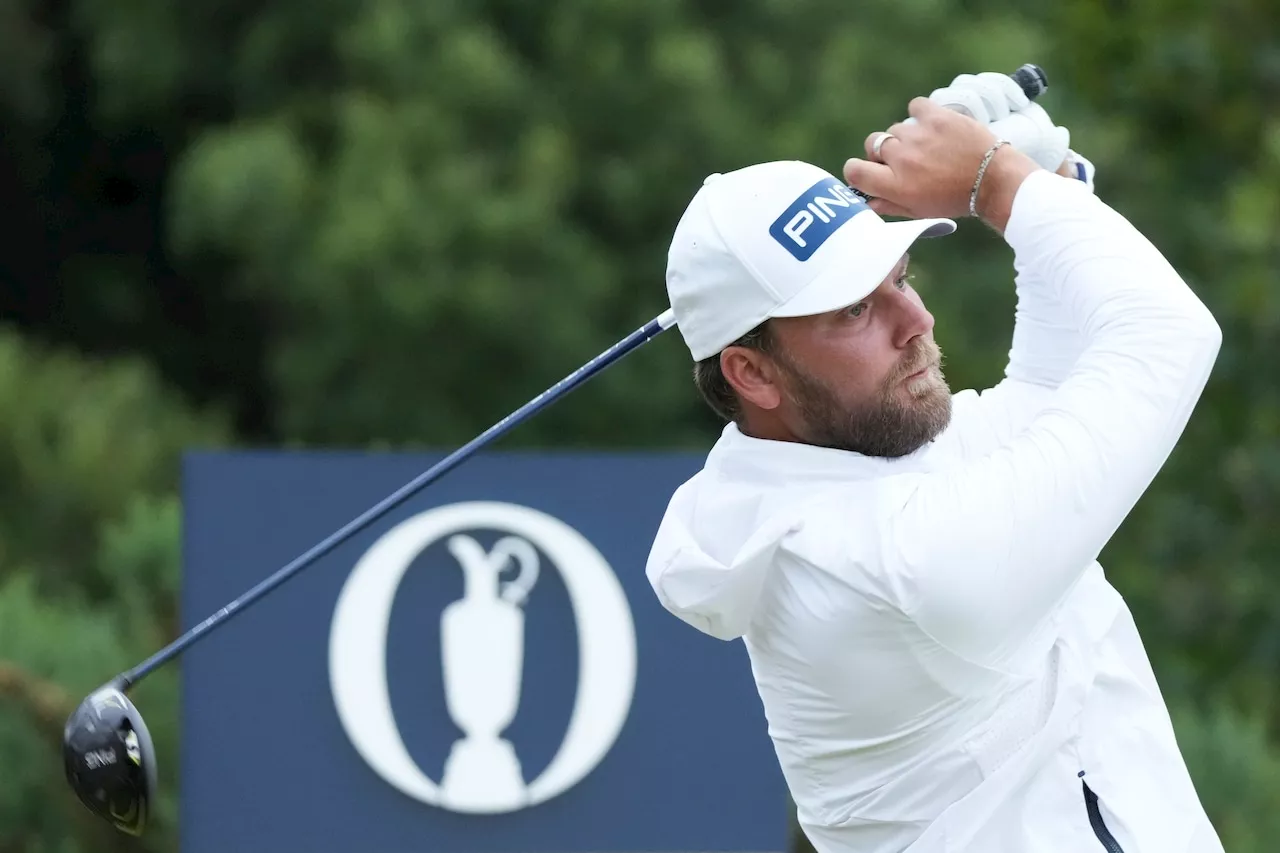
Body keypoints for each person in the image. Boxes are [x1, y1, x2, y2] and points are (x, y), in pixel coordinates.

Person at [644, 72, 1225, 853]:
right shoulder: (892, 564)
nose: (916, 319)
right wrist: (996, 184)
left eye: (900, 279)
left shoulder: (850, 470)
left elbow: (1052, 386)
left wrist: (1051, 182)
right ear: (753, 373)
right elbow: (1168, 335)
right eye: (855, 308)